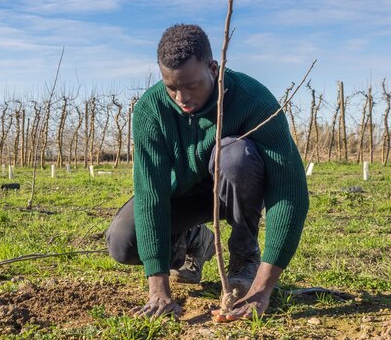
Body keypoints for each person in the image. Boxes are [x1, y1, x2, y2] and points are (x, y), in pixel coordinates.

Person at [106, 24, 309, 322]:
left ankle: (244, 258)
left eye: (191, 86)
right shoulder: (151, 110)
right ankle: (194, 241)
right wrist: (158, 290)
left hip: (236, 187)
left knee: (235, 156)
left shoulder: (253, 100)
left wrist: (263, 291)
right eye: (171, 87)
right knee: (123, 243)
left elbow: (290, 193)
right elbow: (152, 197)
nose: (181, 97)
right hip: (184, 197)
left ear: (213, 68)